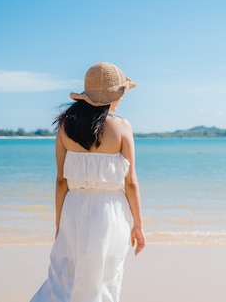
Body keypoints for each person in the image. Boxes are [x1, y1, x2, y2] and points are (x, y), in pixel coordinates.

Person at [31, 62, 145, 302]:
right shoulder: (122, 127)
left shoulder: (64, 126)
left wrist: (59, 223)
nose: (123, 99)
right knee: (103, 280)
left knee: (62, 280)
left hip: (73, 210)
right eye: (121, 93)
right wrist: (138, 225)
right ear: (113, 95)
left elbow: (61, 181)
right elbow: (131, 182)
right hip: (110, 212)